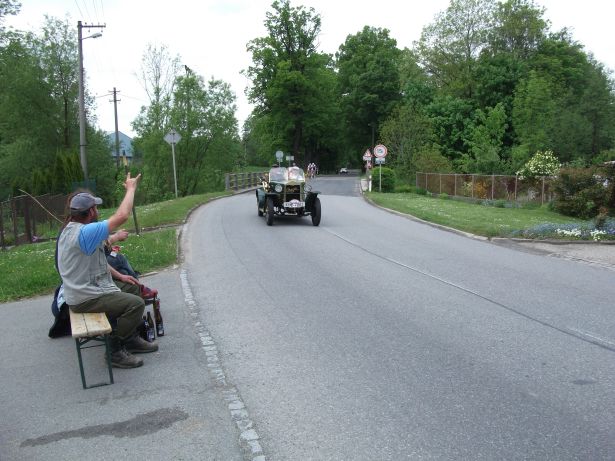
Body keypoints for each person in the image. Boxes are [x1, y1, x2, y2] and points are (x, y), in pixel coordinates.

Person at [56, 173, 157, 369]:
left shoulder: (74, 229)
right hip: (85, 298)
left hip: (87, 290)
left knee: (133, 287)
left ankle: (130, 339)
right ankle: (114, 350)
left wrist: (120, 276)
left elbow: (96, 261)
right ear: (91, 212)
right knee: (135, 304)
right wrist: (131, 189)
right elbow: (122, 216)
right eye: (96, 208)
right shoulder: (84, 232)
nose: (98, 210)